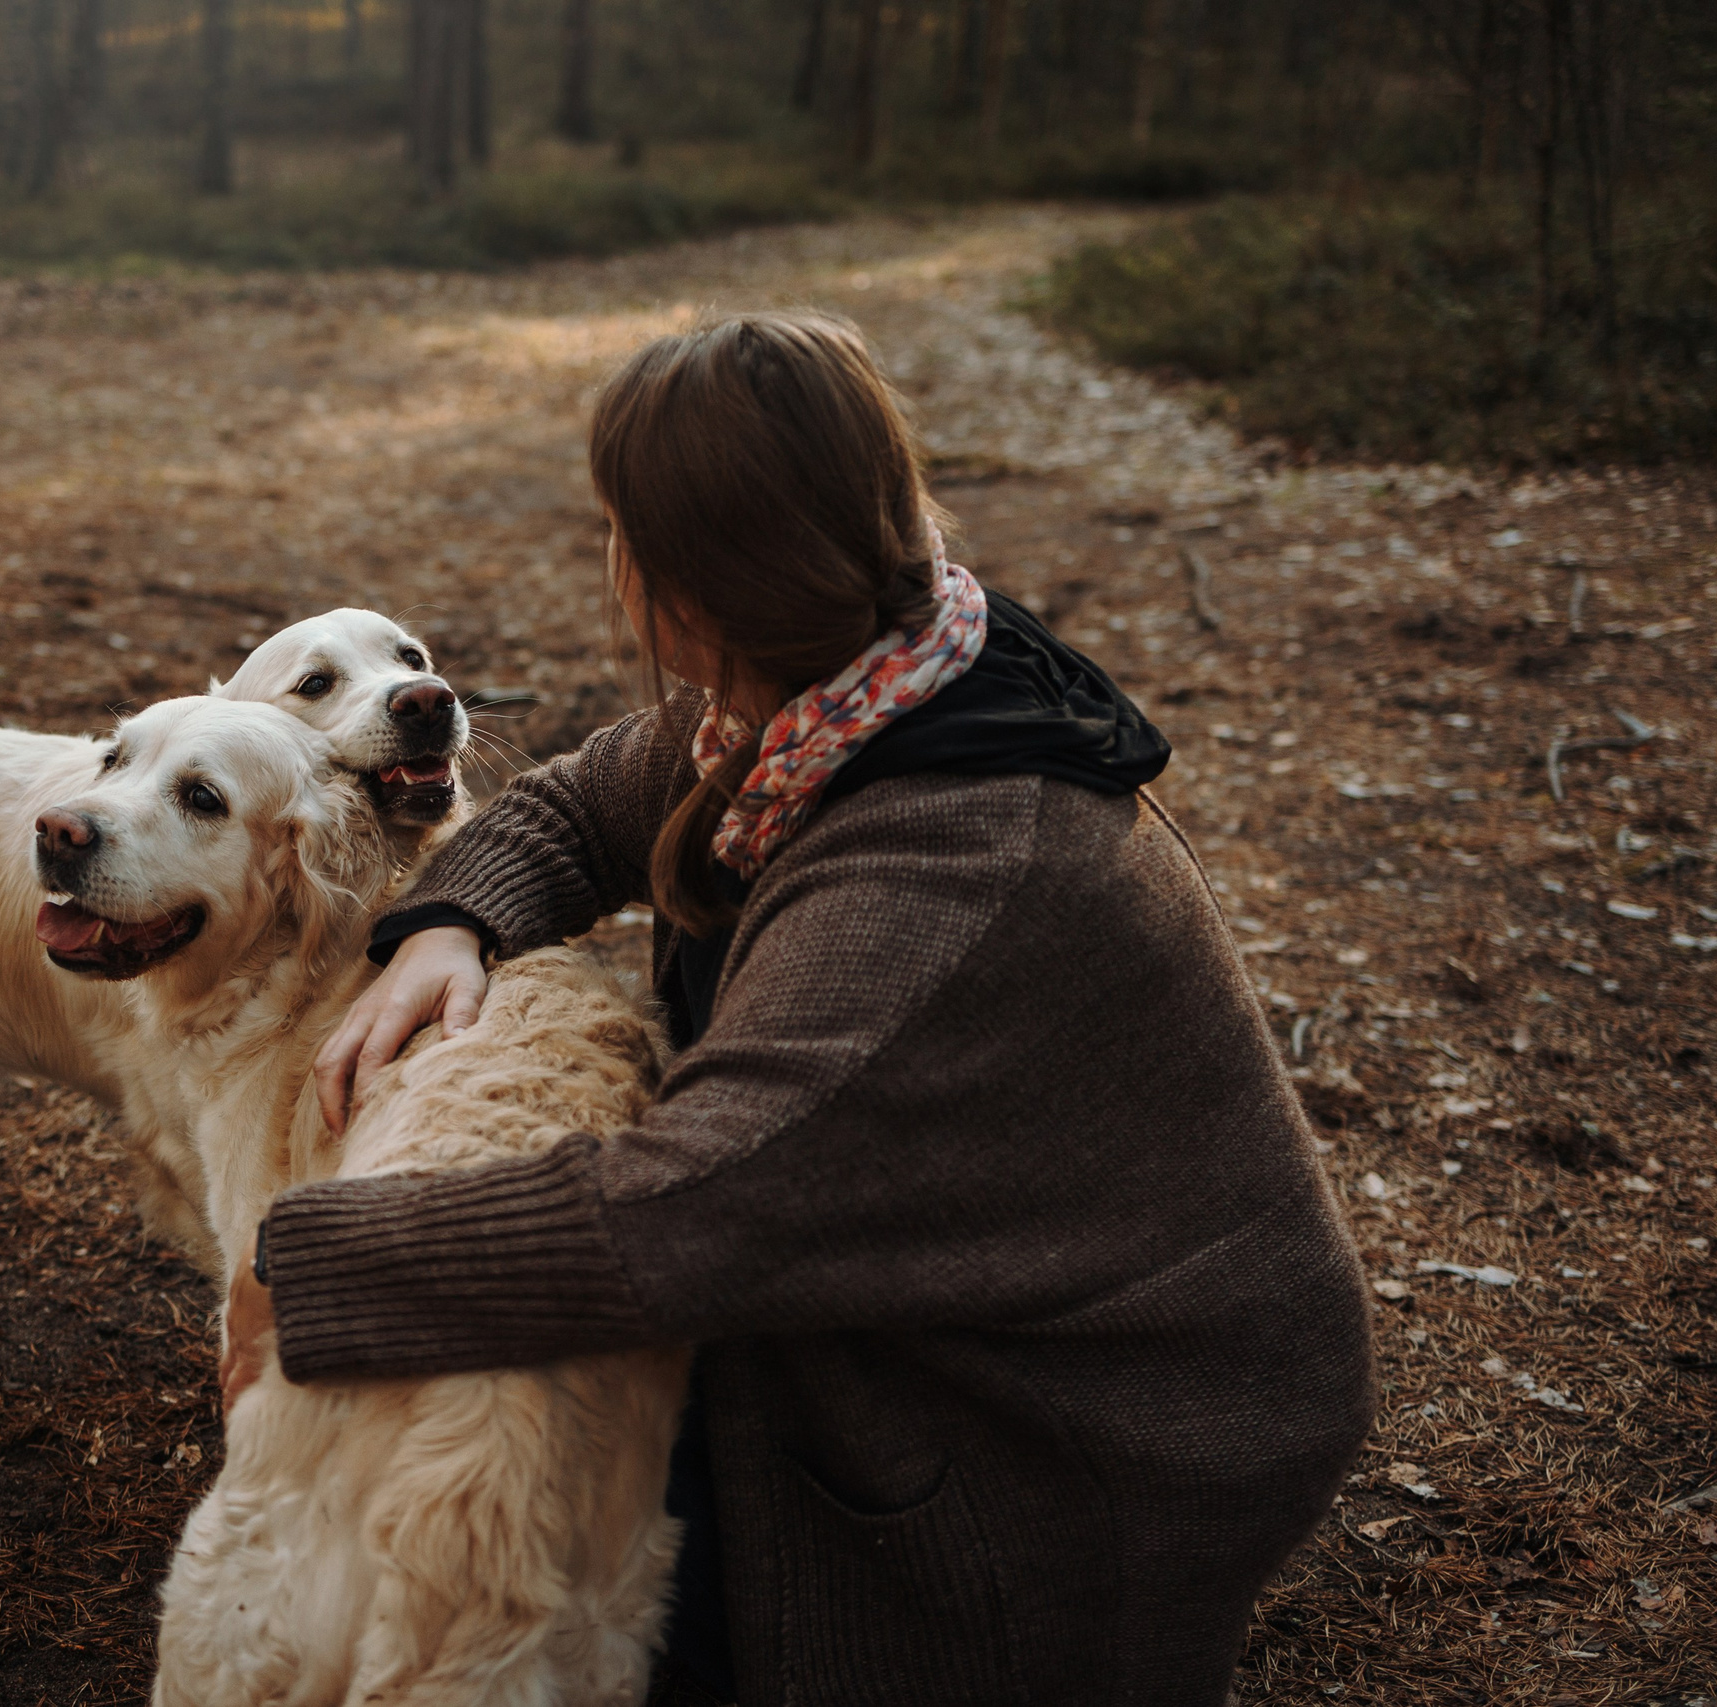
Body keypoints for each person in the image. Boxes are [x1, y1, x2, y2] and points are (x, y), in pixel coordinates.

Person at [219, 311, 1375, 1707]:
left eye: (620, 533)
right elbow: (586, 802)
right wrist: (450, 921)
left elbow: (689, 1215)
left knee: (563, 1578)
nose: (611, 560)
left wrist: (307, 1266)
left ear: (695, 584)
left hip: (1092, 1426)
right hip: (990, 1308)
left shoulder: (937, 867)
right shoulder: (859, 678)